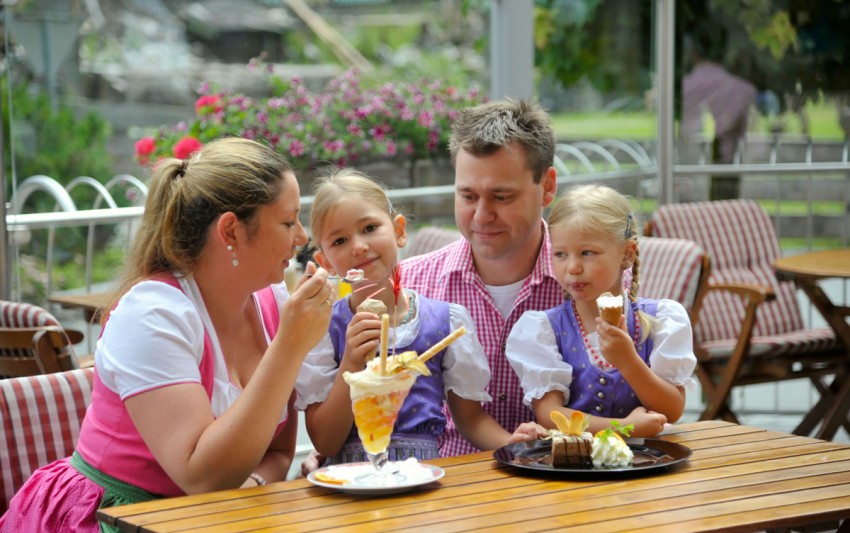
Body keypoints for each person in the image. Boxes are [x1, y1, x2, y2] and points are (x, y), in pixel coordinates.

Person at [0, 137, 334, 532]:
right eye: (287, 221)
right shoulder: (153, 315)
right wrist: (290, 347)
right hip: (114, 518)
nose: (301, 238)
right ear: (230, 230)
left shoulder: (273, 305)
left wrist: (252, 487)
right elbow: (202, 477)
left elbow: (278, 451)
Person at [295, 168, 546, 466]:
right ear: (325, 262)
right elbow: (325, 441)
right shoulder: (324, 328)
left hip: (422, 479)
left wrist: (512, 444)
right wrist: (351, 361)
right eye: (339, 241)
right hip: (350, 484)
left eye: (370, 228)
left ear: (400, 231)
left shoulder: (443, 321)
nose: (359, 246)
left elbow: (469, 419)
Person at [399, 98, 564, 456]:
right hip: (442, 493)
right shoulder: (411, 286)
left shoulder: (596, 285)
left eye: (501, 197)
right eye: (468, 196)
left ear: (547, 186)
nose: (481, 216)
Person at [505, 184, 697, 437]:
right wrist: (624, 429)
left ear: (627, 254)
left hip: (649, 464)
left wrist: (628, 361)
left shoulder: (662, 320)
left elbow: (672, 409)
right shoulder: (543, 329)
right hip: (575, 467)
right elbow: (551, 415)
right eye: (561, 254)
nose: (572, 267)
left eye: (587, 253)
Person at [681, 30, 756, 200]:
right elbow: (746, 133)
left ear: (694, 52)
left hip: (691, 169)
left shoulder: (682, 87)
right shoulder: (743, 89)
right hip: (725, 167)